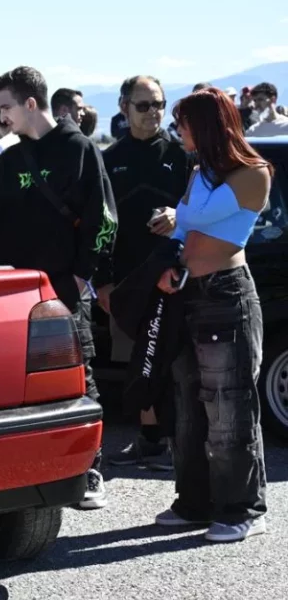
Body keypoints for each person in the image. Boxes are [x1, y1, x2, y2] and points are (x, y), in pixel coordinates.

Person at [0, 66, 117, 510]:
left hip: (63, 286)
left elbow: (104, 220)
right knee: (25, 383)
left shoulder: (78, 149)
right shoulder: (11, 160)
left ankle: (90, 468)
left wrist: (82, 275)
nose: (0, 118)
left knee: (80, 379)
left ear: (31, 105)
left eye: (5, 108)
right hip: (19, 293)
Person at [155, 87, 271, 543]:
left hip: (227, 294)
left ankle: (243, 507)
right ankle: (195, 503)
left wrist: (178, 220)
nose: (177, 129)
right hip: (192, 290)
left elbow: (198, 220)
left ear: (204, 126)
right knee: (191, 408)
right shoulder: (200, 171)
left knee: (229, 406)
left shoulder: (252, 172)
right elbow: (187, 226)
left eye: (183, 122)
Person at [95, 75, 190, 471]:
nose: (153, 112)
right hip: (129, 283)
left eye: (159, 104)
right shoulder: (108, 159)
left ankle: (180, 443)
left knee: (177, 364)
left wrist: (177, 216)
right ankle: (151, 442)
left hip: (175, 278)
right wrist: (102, 279)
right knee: (139, 363)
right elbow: (98, 223)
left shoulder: (182, 155)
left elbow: (203, 211)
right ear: (123, 107)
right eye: (143, 105)